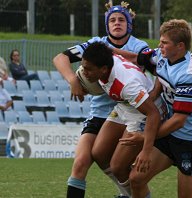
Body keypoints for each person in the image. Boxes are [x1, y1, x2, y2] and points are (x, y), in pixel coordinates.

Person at [52, 2, 149, 197]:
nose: (117, 23)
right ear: (107, 24)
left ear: (129, 24)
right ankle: (129, 194)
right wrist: (73, 80)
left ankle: (133, 194)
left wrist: (110, 53)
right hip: (99, 113)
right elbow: (60, 58)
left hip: (128, 114)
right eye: (112, 20)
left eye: (122, 19)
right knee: (80, 163)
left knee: (116, 162)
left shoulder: (139, 46)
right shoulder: (96, 43)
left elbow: (143, 61)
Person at [117, 19, 192, 198]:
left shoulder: (188, 75)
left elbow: (178, 120)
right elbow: (136, 57)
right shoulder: (163, 56)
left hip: (190, 142)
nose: (159, 46)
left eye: (164, 42)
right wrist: (110, 52)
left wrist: (146, 138)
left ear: (180, 46)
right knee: (136, 178)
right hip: (169, 136)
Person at [83, 42, 166, 197]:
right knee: (99, 153)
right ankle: (127, 195)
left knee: (117, 167)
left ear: (104, 69)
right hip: (125, 106)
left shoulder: (127, 84)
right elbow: (111, 51)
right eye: (83, 67)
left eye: (88, 69)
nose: (83, 72)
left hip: (143, 113)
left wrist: (146, 151)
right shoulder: (104, 62)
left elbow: (153, 113)